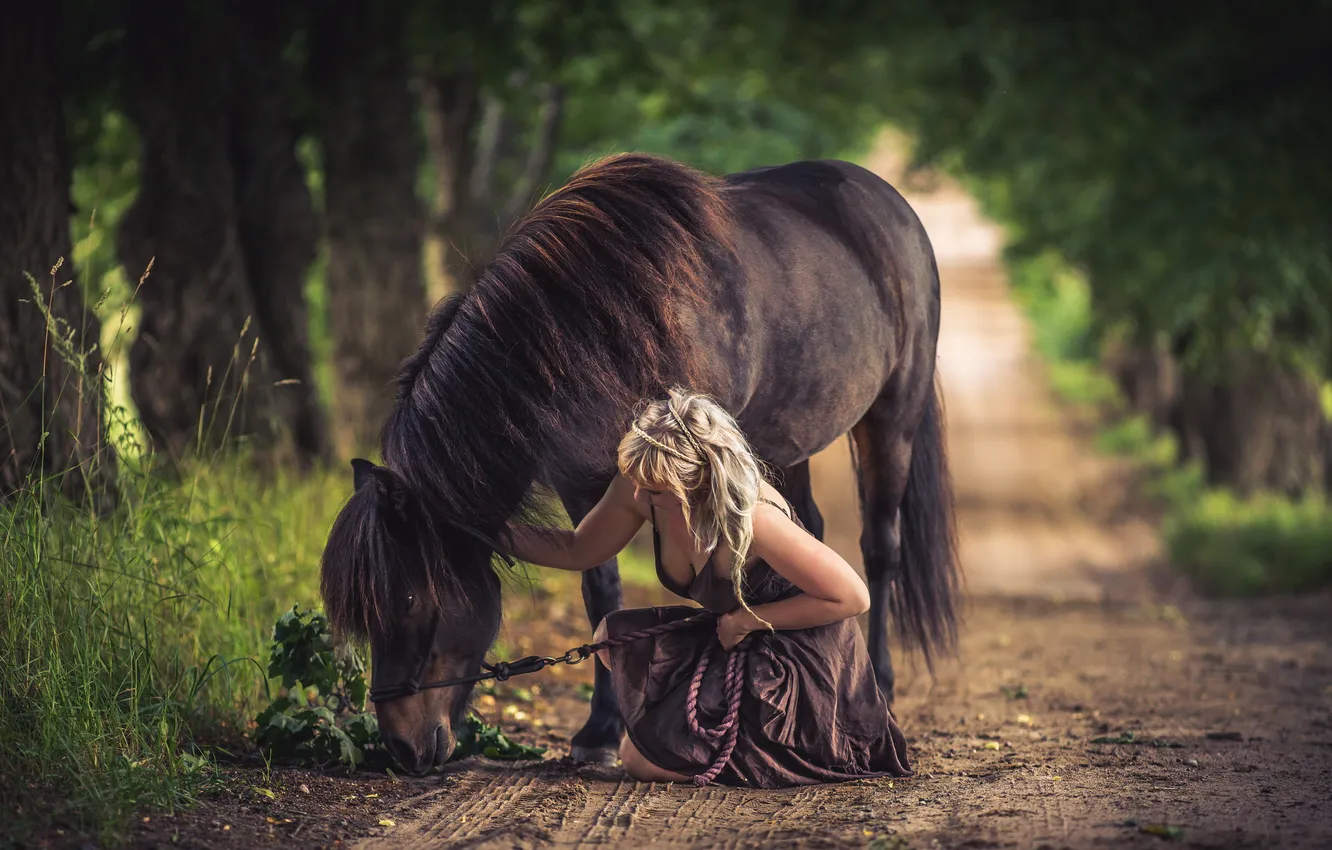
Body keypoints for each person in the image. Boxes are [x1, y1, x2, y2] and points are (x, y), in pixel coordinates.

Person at [502, 387, 912, 786]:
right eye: (637, 481)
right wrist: (487, 534)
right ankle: (690, 733)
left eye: (655, 490)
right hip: (732, 637)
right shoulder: (644, 481)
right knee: (612, 639)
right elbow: (579, 549)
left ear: (697, 484)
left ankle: (769, 747)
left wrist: (748, 621)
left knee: (637, 759)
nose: (639, 495)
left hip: (798, 653)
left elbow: (852, 596)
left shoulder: (755, 518)